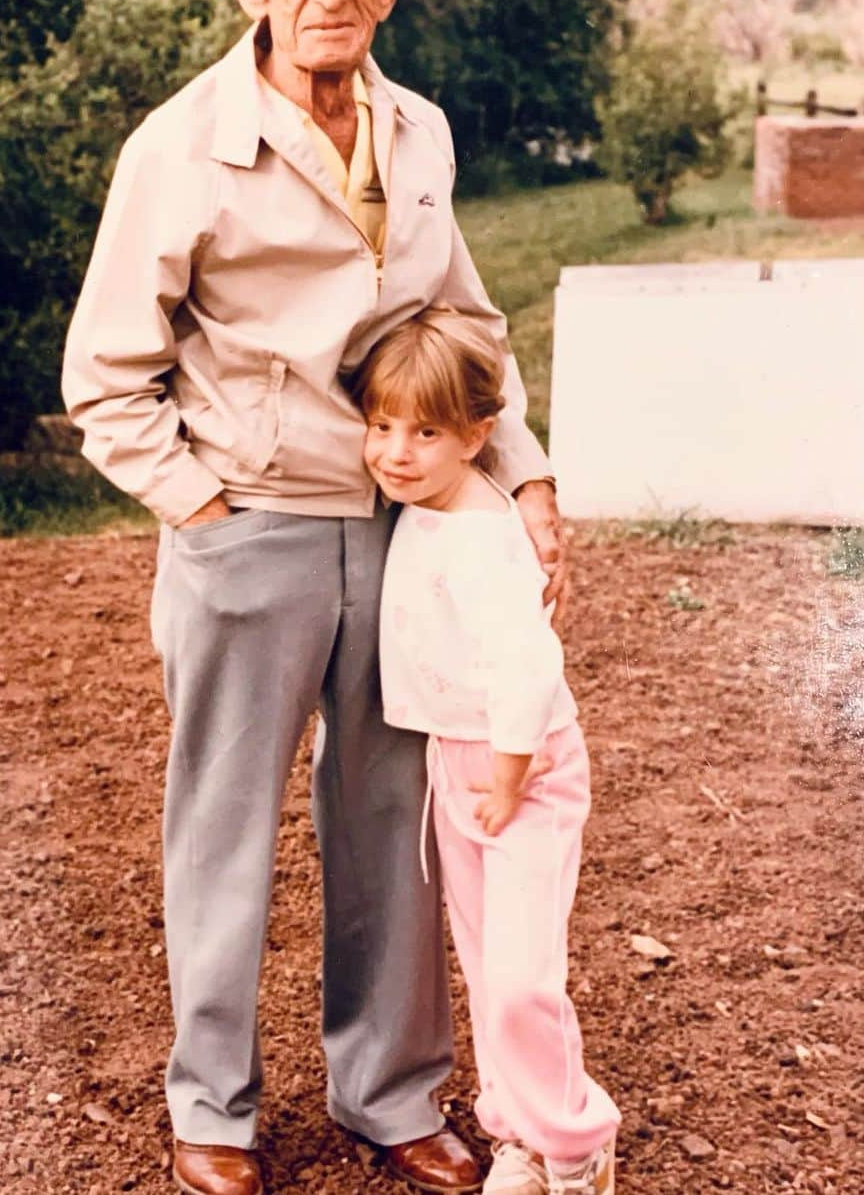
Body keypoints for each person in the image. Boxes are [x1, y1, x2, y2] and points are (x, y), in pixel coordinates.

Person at [61, 0, 568, 1194]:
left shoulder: (421, 132)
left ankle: (391, 1094)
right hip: (250, 532)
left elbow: (463, 328)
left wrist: (521, 470)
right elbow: (106, 375)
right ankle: (211, 1112)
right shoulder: (177, 148)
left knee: (396, 818)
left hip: (407, 537)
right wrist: (204, 507)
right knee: (221, 826)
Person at [352, 309, 620, 1195]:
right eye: (381, 426)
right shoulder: (426, 509)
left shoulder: (478, 531)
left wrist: (507, 777)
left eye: (425, 431)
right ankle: (520, 1132)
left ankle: (577, 1144)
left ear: (476, 436)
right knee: (486, 965)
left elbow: (528, 659)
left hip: (522, 772)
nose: (396, 450)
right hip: (458, 765)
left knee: (520, 978)